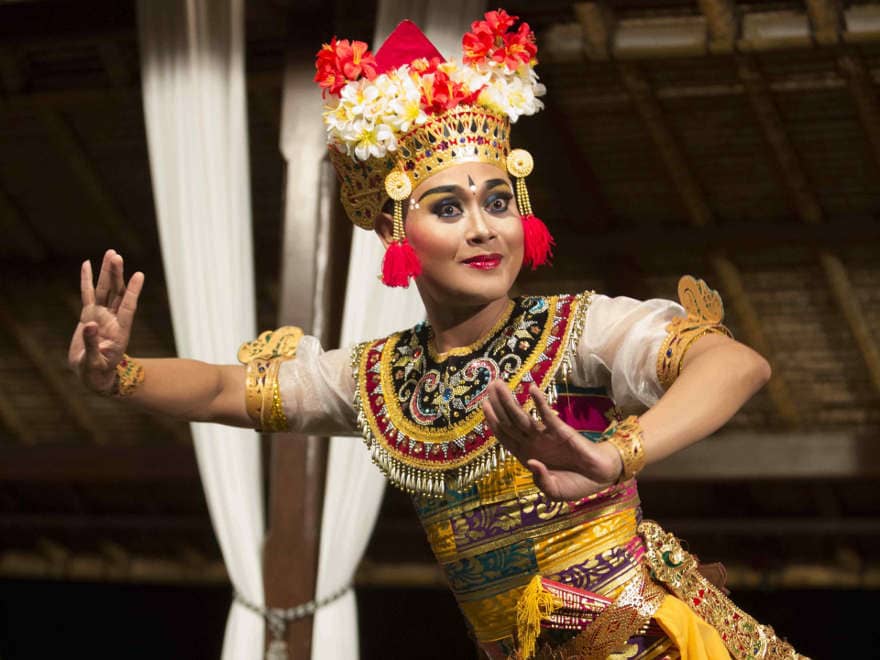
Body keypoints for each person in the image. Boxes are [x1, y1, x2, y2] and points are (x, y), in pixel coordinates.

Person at [69, 10, 805, 659]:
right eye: (448, 208)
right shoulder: (378, 378)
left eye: (497, 201)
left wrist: (615, 454)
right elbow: (232, 387)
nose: (483, 227)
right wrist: (122, 376)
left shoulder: (579, 331)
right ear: (397, 229)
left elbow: (735, 364)